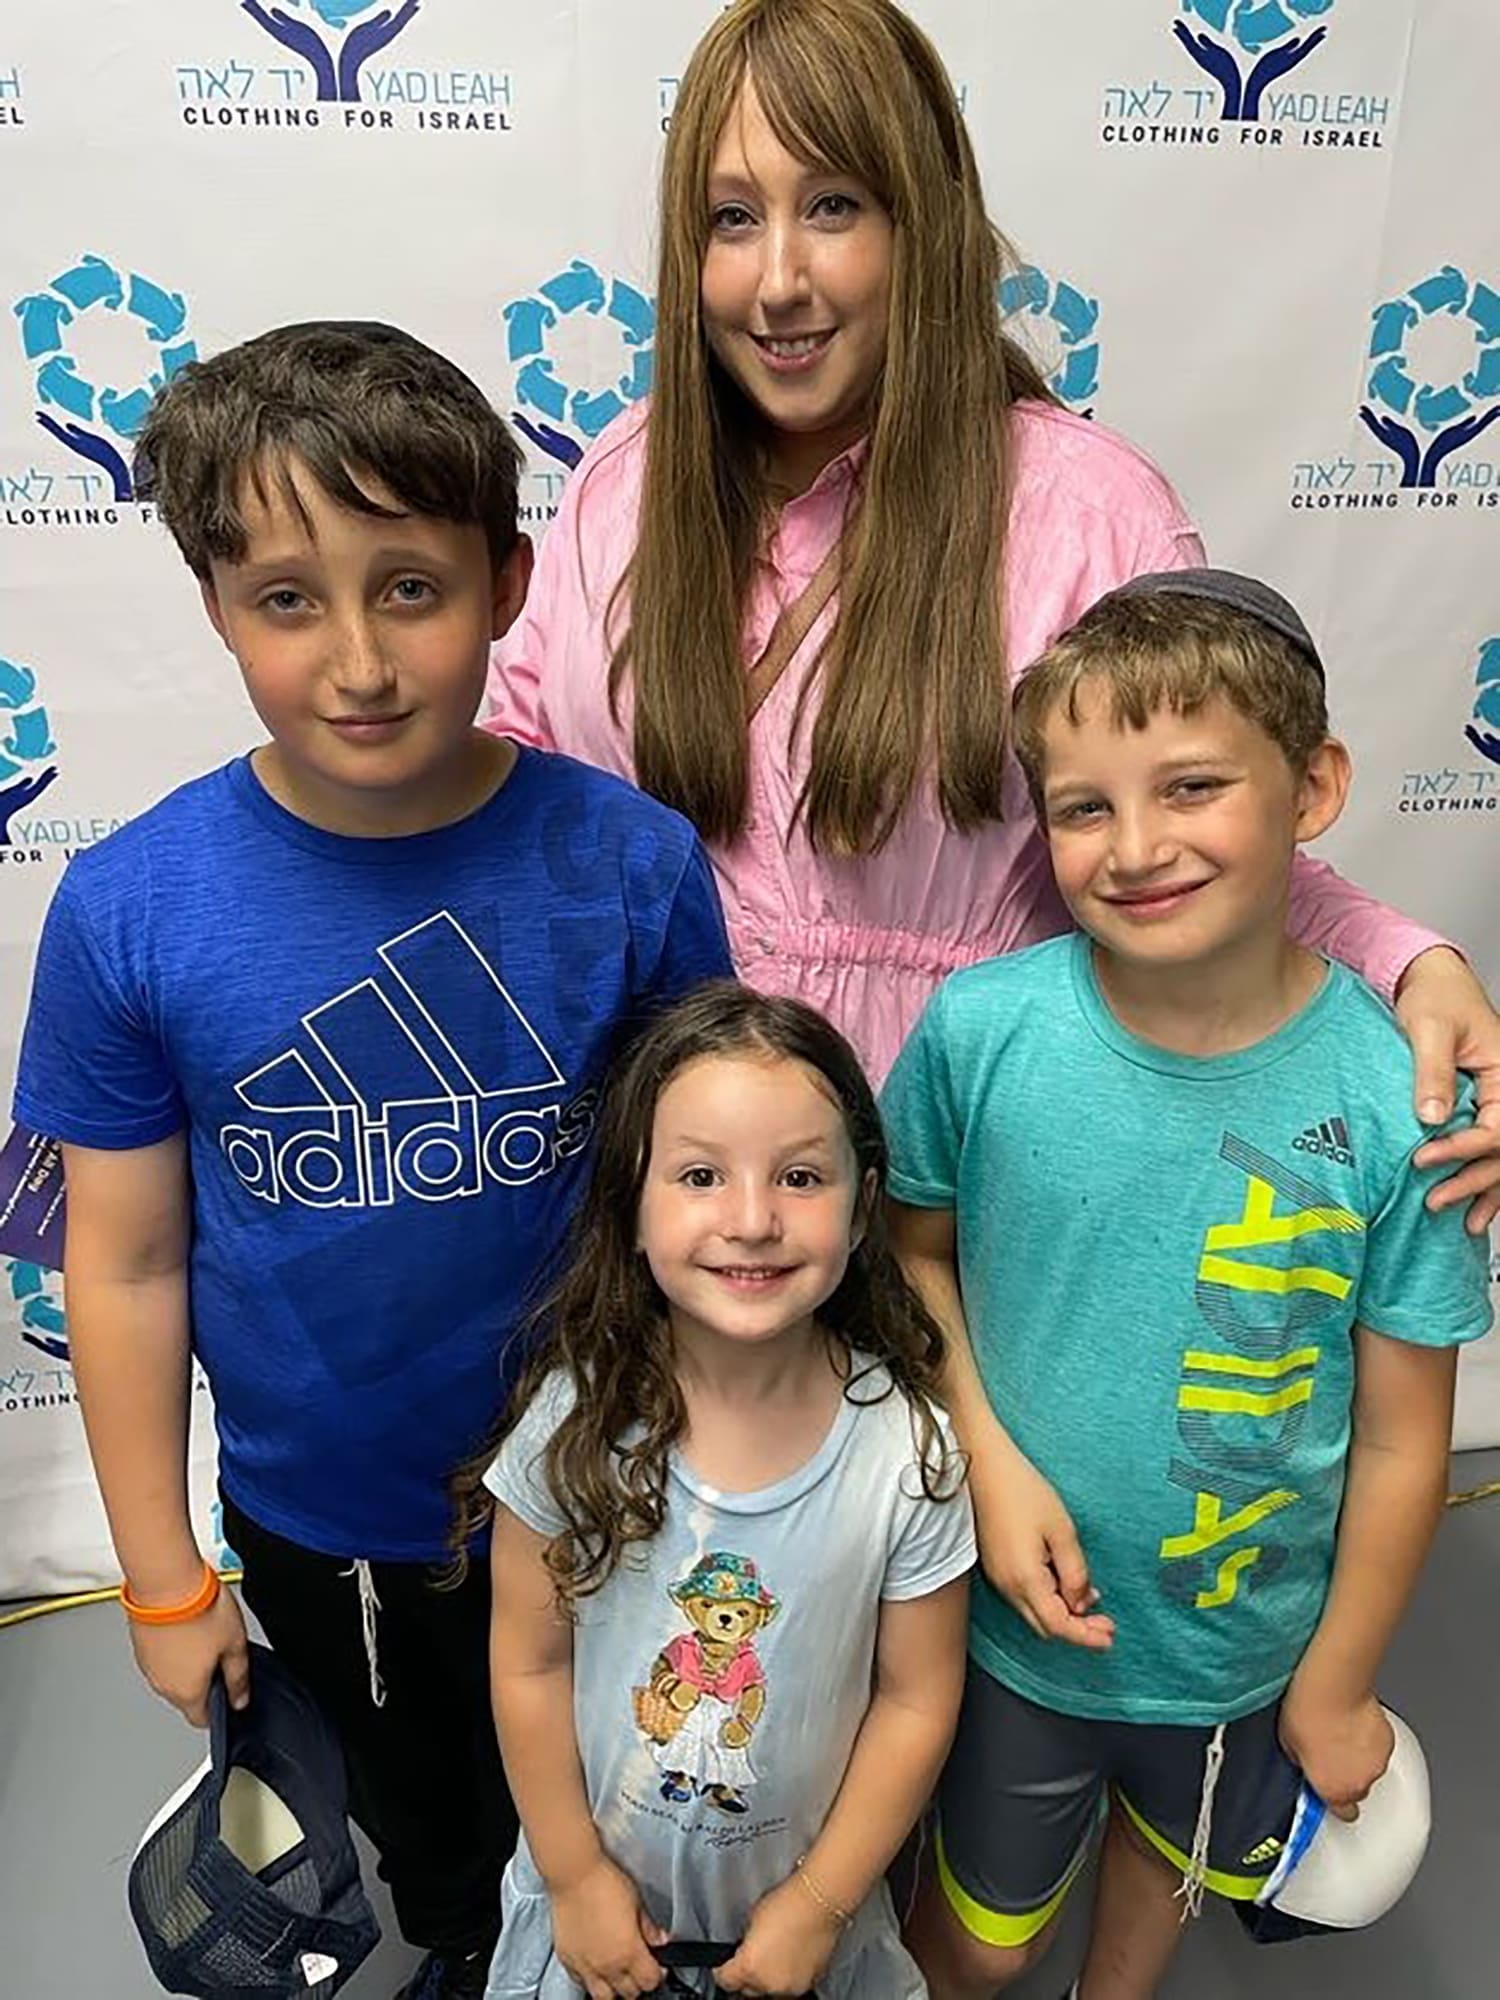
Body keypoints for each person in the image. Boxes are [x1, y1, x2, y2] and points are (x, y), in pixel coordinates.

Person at [487, 0, 1500, 1223]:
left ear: (923, 221)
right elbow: (504, 797)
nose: (779, 281)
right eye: (732, 218)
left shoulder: (1088, 510)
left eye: (833, 207)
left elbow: (1188, 824)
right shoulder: (621, 485)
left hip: (977, 1184)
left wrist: (1408, 961)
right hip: (685, 1194)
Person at [12, 322, 733, 2000]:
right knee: (429, 1828)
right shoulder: (130, 911)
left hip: (609, 1493)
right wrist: (161, 1578)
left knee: (627, 1795)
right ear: (214, 605)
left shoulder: (632, 866)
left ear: (506, 580)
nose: (357, 661)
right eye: (287, 599)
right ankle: (464, 1939)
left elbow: (702, 1196)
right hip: (325, 1525)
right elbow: (124, 1260)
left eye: (409, 589)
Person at [879, 571, 1494, 2000]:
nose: (1137, 847)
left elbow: (1406, 1438)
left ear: (1314, 787)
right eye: (1084, 807)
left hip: (1245, 1656)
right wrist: (989, 1459)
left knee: (1165, 1871)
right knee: (977, 1947)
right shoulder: (980, 1032)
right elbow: (908, 1254)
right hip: (1011, 1636)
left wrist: (1337, 1677)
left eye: (1193, 787)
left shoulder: (1405, 1105)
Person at [455, 982, 974, 1999]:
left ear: (863, 1205)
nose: (752, 1220)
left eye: (800, 1176)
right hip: (595, 1921)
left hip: (811, 1932)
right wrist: (575, 1877)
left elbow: (916, 1699)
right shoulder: (571, 1424)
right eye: (700, 1174)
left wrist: (818, 1904)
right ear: (631, 1204)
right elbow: (528, 1662)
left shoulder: (908, 1453)